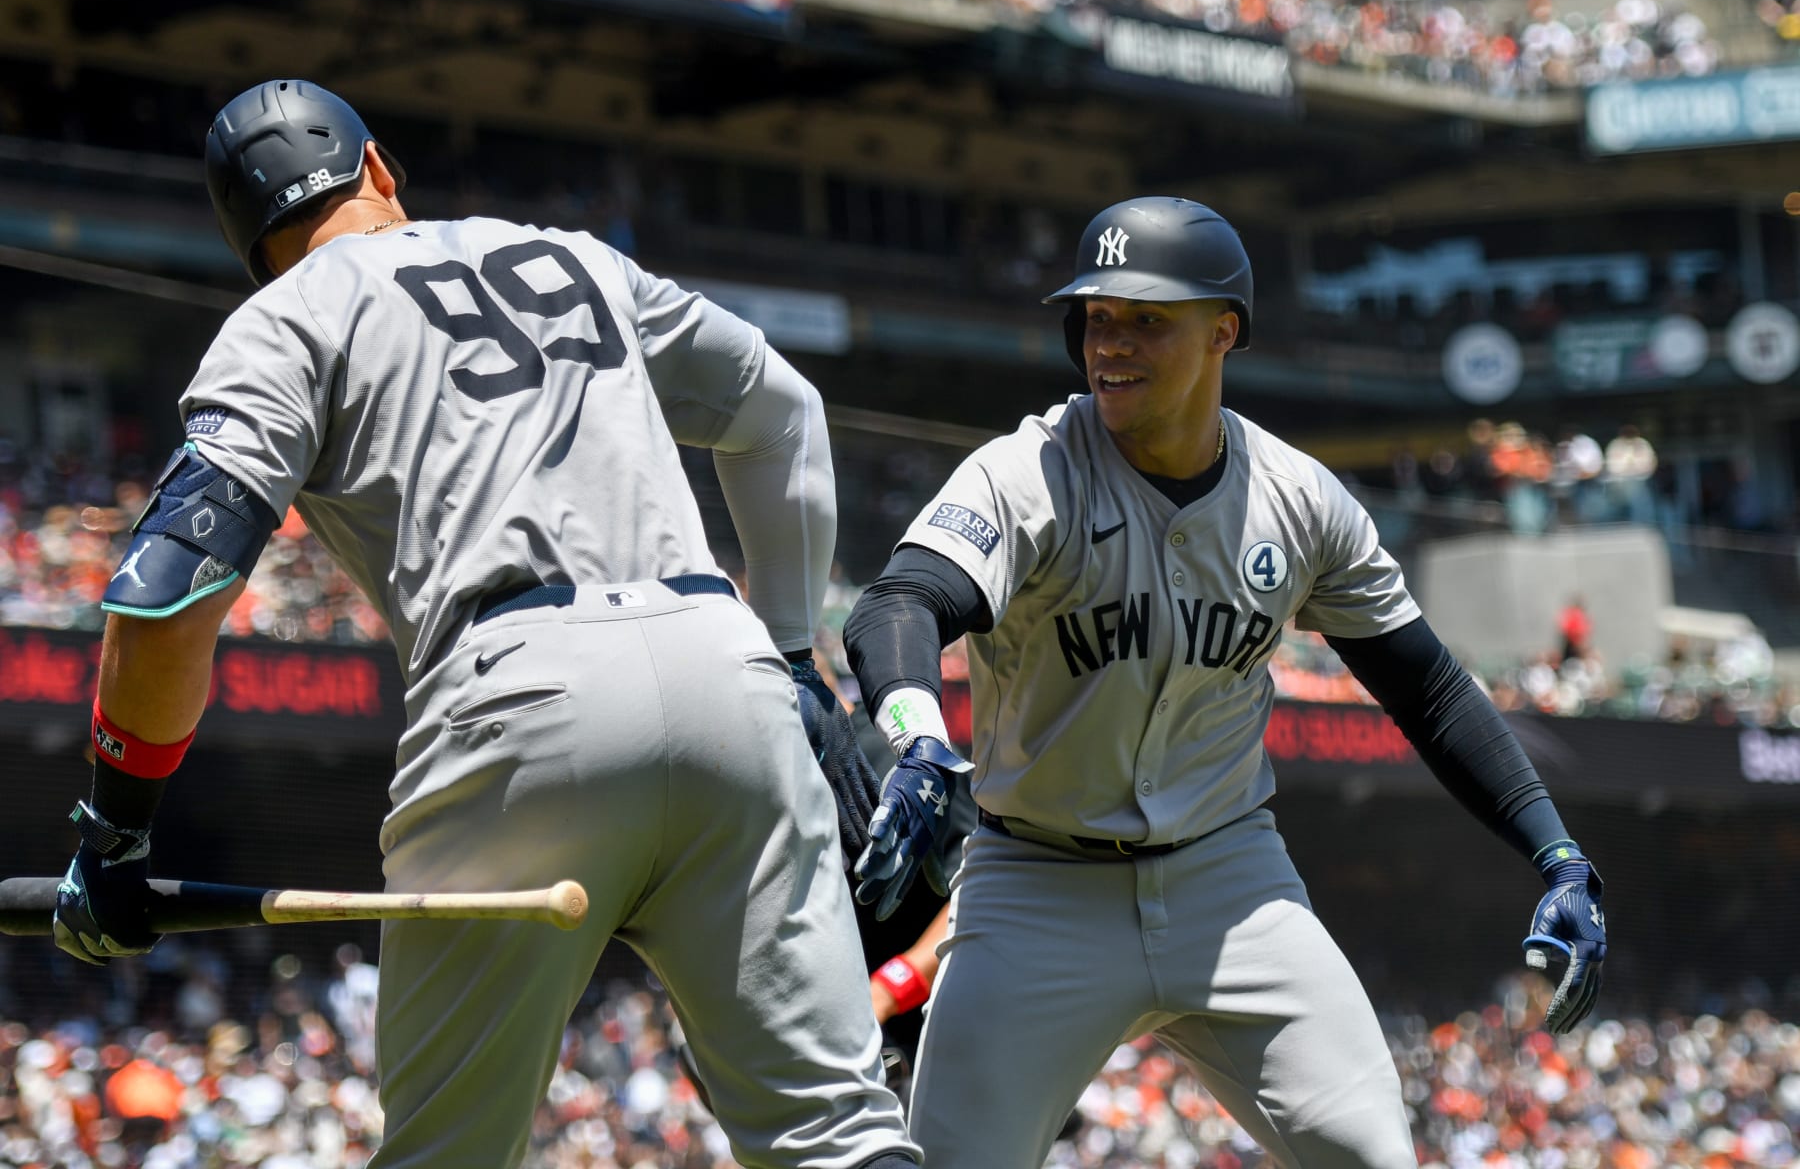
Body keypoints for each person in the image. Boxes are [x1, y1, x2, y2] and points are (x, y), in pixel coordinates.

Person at [49, 79, 918, 1169]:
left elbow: (168, 590)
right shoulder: (574, 257)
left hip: (519, 699)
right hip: (722, 667)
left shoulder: (282, 319)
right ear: (379, 167)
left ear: (248, 242)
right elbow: (782, 408)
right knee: (835, 1135)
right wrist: (796, 662)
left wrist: (117, 830)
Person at [841, 197, 1609, 1169]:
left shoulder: (1300, 500)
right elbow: (898, 604)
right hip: (1036, 885)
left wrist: (1558, 855)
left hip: (1231, 884)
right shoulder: (1029, 472)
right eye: (1096, 317)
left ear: (1224, 330)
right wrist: (915, 731)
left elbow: (1431, 692)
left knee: (1373, 1156)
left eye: (1144, 318)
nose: (1108, 343)